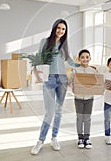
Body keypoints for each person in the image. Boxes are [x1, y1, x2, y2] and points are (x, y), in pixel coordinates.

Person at [31, 19, 80, 155]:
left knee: (59, 111)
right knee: (49, 113)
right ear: (54, 28)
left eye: (63, 29)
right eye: (59, 28)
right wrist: (36, 72)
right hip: (49, 79)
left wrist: (82, 65)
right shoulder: (45, 42)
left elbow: (69, 61)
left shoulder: (64, 45)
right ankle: (40, 141)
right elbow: (38, 58)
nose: (61, 31)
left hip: (62, 79)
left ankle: (54, 138)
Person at [71, 49, 97, 149]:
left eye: (87, 57)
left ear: (90, 58)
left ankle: (87, 138)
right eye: (82, 57)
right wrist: (72, 85)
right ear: (79, 59)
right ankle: (80, 138)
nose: (85, 59)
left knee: (87, 118)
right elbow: (72, 83)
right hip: (78, 98)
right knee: (79, 118)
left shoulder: (93, 71)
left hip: (89, 98)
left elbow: (96, 83)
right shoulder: (75, 70)